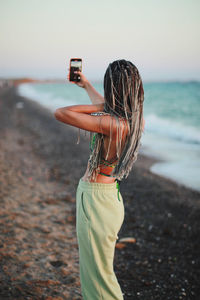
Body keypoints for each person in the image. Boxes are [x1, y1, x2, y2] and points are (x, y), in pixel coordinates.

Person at [54, 59, 145, 300]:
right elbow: (106, 111)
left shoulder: (112, 122)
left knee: (100, 279)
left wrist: (104, 105)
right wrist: (86, 85)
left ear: (113, 88)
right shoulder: (132, 121)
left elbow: (61, 113)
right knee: (98, 272)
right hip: (107, 198)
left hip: (96, 201)